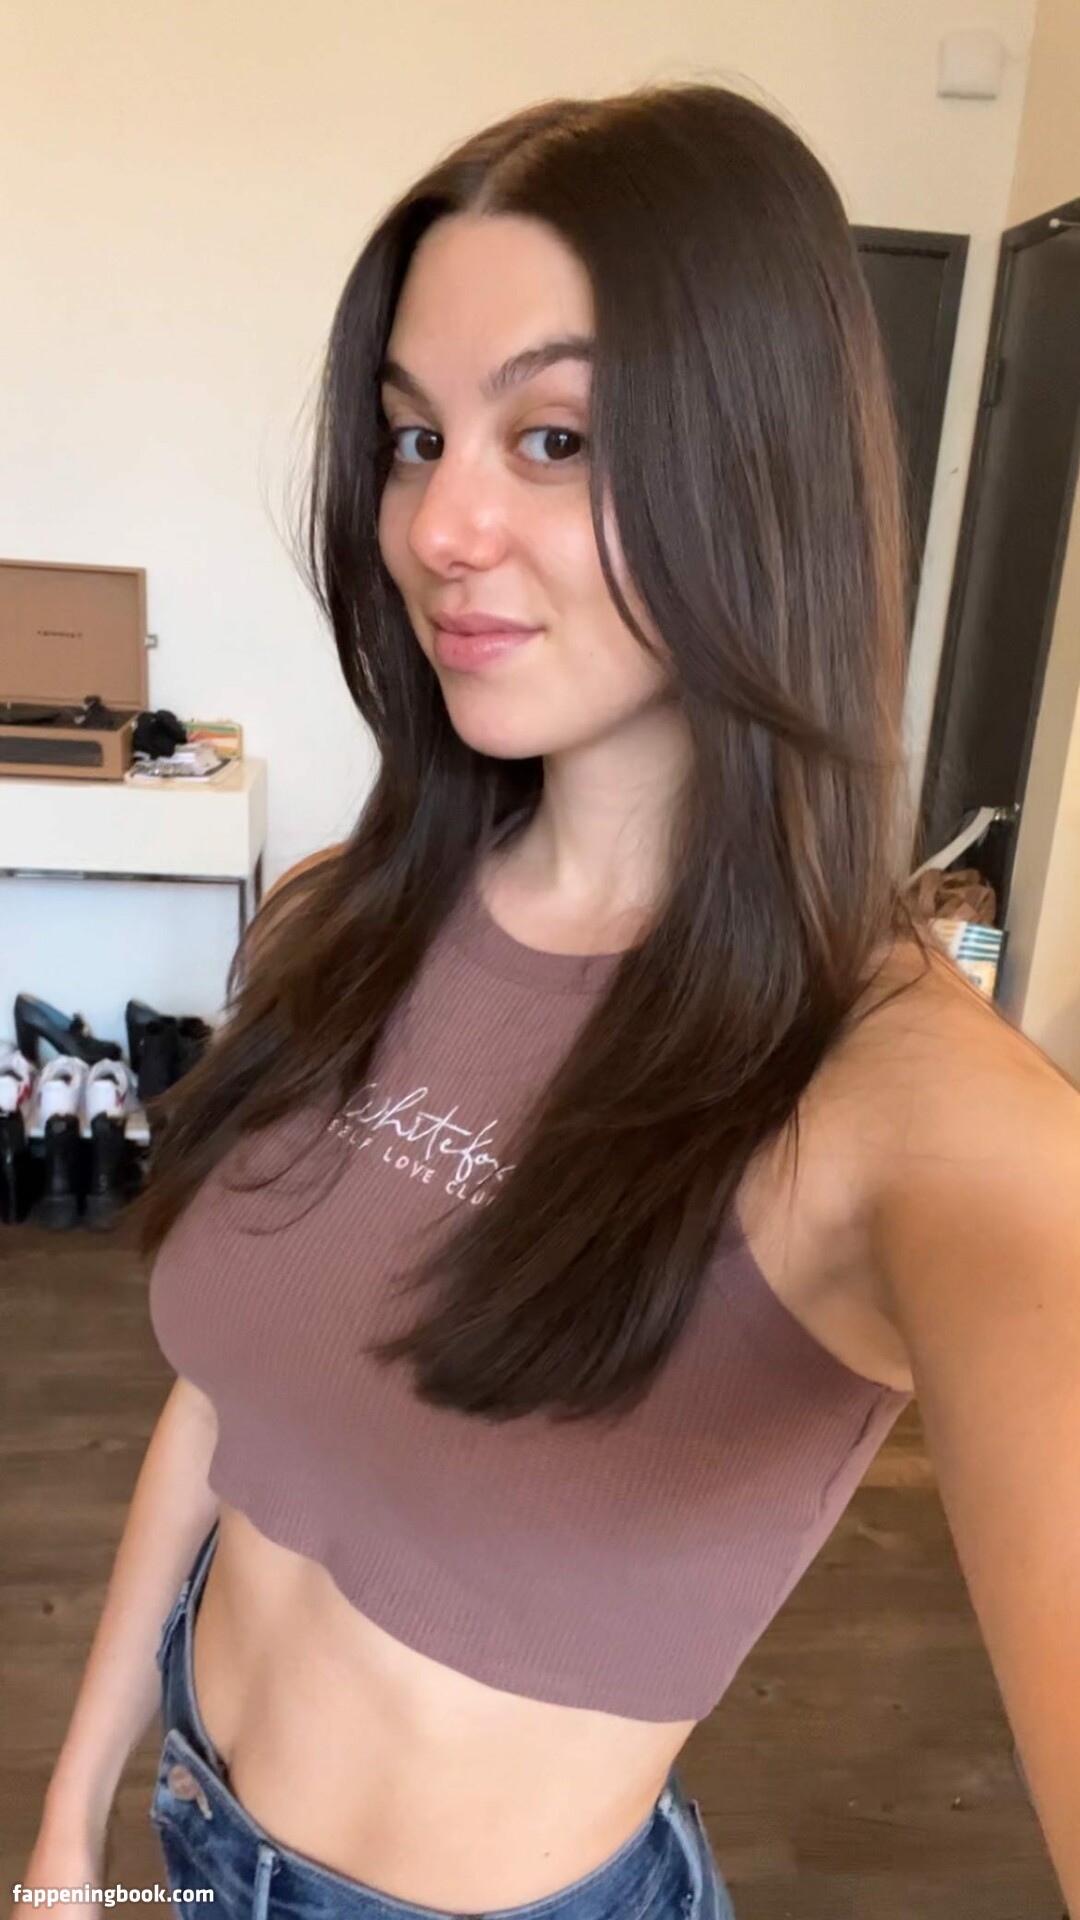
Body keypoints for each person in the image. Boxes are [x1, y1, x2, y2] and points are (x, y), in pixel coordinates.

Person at [17, 79, 1080, 1920]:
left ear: (760, 475)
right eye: (415, 437)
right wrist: (69, 1810)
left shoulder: (899, 1098)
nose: (439, 526)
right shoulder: (341, 920)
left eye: (559, 437)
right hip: (194, 1808)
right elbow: (226, 1403)